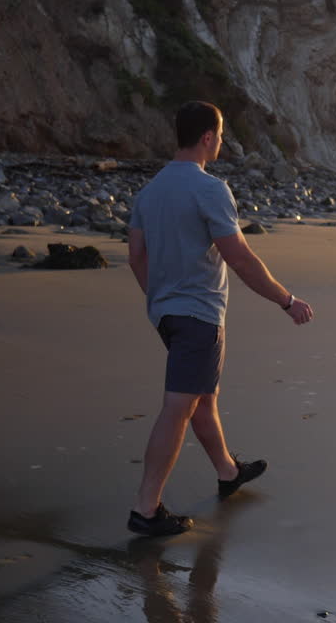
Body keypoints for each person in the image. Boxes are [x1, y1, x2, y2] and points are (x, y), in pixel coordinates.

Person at [126, 100, 314, 537]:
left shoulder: (150, 191)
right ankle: (146, 509)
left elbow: (136, 256)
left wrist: (159, 299)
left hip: (168, 314)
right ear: (208, 137)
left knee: (200, 398)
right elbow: (240, 258)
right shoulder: (209, 188)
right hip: (198, 315)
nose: (223, 142)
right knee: (178, 407)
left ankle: (228, 472)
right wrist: (287, 300)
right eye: (222, 134)